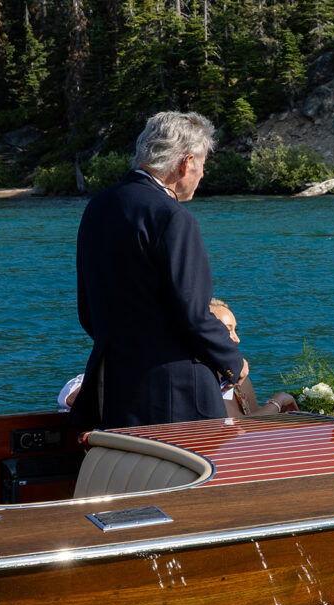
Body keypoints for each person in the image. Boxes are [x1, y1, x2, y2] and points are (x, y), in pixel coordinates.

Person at [73, 111, 247, 429]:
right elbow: (193, 314)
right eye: (203, 164)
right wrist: (232, 362)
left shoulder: (97, 208)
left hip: (113, 391)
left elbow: (87, 311)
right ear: (186, 162)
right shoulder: (172, 217)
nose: (202, 174)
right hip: (178, 398)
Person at [209, 298, 297, 417]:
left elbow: (252, 424)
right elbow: (238, 426)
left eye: (235, 330)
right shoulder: (204, 380)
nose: (236, 339)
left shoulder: (242, 378)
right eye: (228, 330)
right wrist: (278, 402)